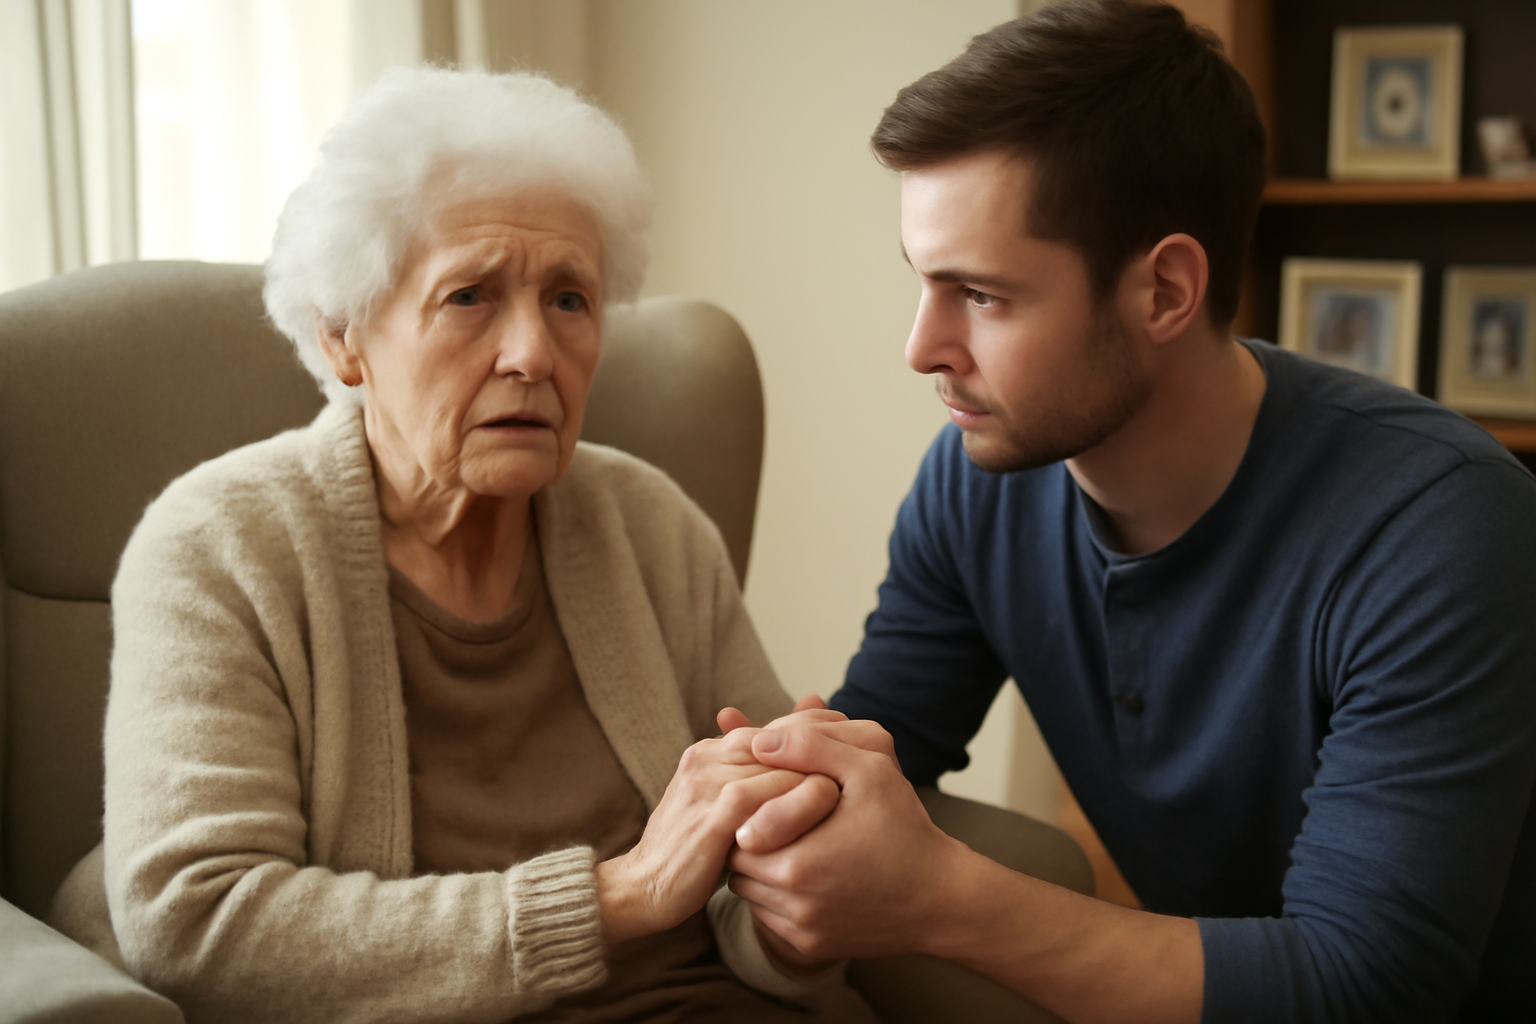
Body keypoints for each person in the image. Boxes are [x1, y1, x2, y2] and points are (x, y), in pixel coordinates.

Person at [719, 2, 1536, 1022]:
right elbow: (881, 743)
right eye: (924, 282)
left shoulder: (1442, 531)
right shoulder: (975, 482)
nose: (921, 347)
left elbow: (1368, 987)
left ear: (1165, 291)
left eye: (980, 294)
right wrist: (765, 788)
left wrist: (941, 896)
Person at [48, 67, 875, 1024]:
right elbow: (199, 924)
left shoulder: (654, 528)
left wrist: (795, 877)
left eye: (570, 299)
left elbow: (752, 900)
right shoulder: (223, 547)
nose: (532, 352)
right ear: (343, 336)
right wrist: (620, 896)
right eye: (471, 296)